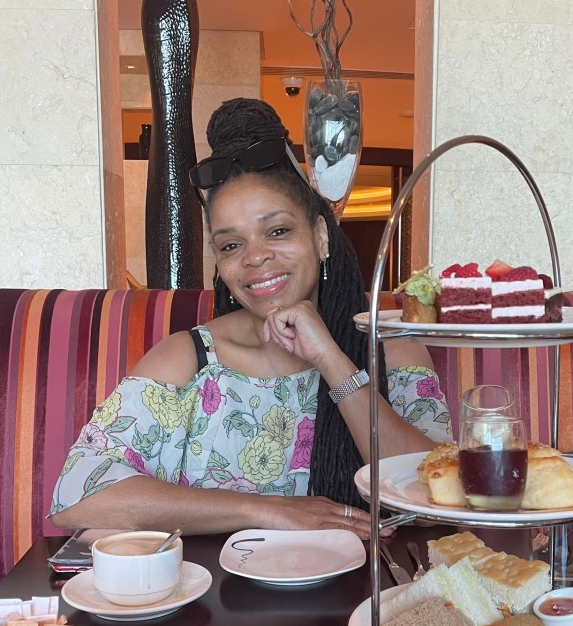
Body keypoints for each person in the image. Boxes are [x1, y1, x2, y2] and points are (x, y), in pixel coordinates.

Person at [49, 99, 452, 539]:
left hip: (365, 601)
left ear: (320, 236)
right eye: (230, 245)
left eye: (277, 231)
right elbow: (78, 497)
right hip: (216, 601)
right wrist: (268, 510)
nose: (255, 256)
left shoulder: (391, 344)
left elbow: (440, 498)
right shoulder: (191, 359)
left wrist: (331, 359)